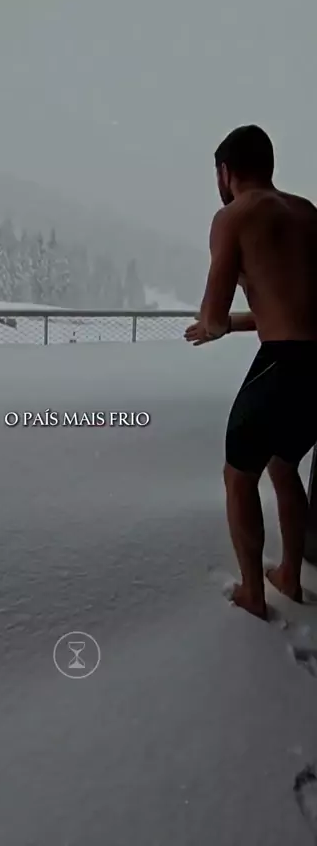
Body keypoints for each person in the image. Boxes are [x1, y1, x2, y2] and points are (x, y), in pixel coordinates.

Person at [185, 124, 317, 620]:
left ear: (226, 172)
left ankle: (252, 594)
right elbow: (289, 307)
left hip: (284, 362)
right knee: (284, 466)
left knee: (238, 477)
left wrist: (210, 326)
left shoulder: (234, 216)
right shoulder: (307, 213)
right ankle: (289, 575)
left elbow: (215, 317)